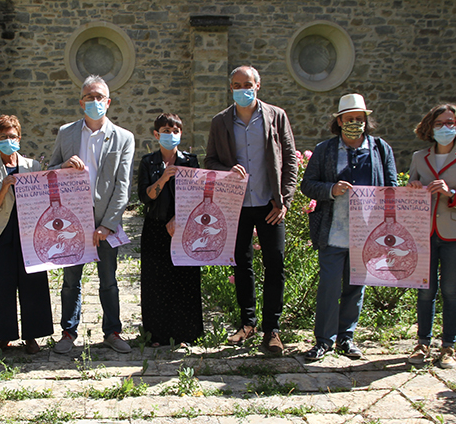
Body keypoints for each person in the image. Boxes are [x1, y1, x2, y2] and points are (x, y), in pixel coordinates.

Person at [204, 65, 299, 355]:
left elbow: (290, 159)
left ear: (257, 85)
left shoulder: (276, 116)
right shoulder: (220, 122)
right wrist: (226, 170)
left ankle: (272, 330)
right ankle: (248, 323)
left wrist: (285, 198)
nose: (241, 89)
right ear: (230, 88)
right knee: (241, 265)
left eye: (246, 84)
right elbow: (209, 161)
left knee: (275, 265)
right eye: (235, 85)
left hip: (271, 204)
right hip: (237, 205)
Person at [300, 93, 398, 362]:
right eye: (349, 118)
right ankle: (323, 340)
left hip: (367, 232)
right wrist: (331, 189)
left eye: (359, 118)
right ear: (339, 121)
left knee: (356, 287)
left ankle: (346, 338)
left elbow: (392, 187)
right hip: (333, 231)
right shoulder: (325, 150)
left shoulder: (380, 149)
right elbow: (307, 184)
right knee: (329, 287)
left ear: (367, 120)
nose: (355, 122)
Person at [48, 75, 135, 354]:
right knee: (70, 280)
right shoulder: (66, 133)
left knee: (108, 280)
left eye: (100, 97)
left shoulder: (124, 138)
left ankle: (112, 331)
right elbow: (50, 173)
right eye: (89, 97)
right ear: (80, 102)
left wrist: (108, 224)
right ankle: (67, 333)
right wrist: (63, 164)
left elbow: (123, 186)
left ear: (108, 102)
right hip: (73, 220)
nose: (94, 102)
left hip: (105, 222)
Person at [407, 103, 456, 369]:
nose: (445, 127)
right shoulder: (420, 157)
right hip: (424, 232)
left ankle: (448, 347)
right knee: (424, 291)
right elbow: (411, 192)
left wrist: (451, 194)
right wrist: (414, 187)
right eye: (440, 123)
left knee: (451, 291)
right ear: (430, 127)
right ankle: (422, 343)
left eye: (450, 123)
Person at [0, 115, 54, 354]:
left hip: (30, 233)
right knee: (0, 285)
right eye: (3, 137)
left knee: (34, 283)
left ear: (19, 138)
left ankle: (33, 336)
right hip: (0, 233)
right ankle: (3, 336)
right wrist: (5, 186)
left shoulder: (33, 167)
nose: (8, 140)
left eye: (12, 136)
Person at [137, 113, 203, 346]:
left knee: (184, 280)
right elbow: (145, 197)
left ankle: (184, 334)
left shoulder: (190, 161)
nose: (171, 134)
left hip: (182, 227)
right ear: (156, 135)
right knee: (156, 282)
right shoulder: (148, 162)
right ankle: (157, 334)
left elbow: (196, 195)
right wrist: (163, 178)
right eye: (166, 130)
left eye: (175, 131)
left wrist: (179, 219)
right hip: (155, 227)